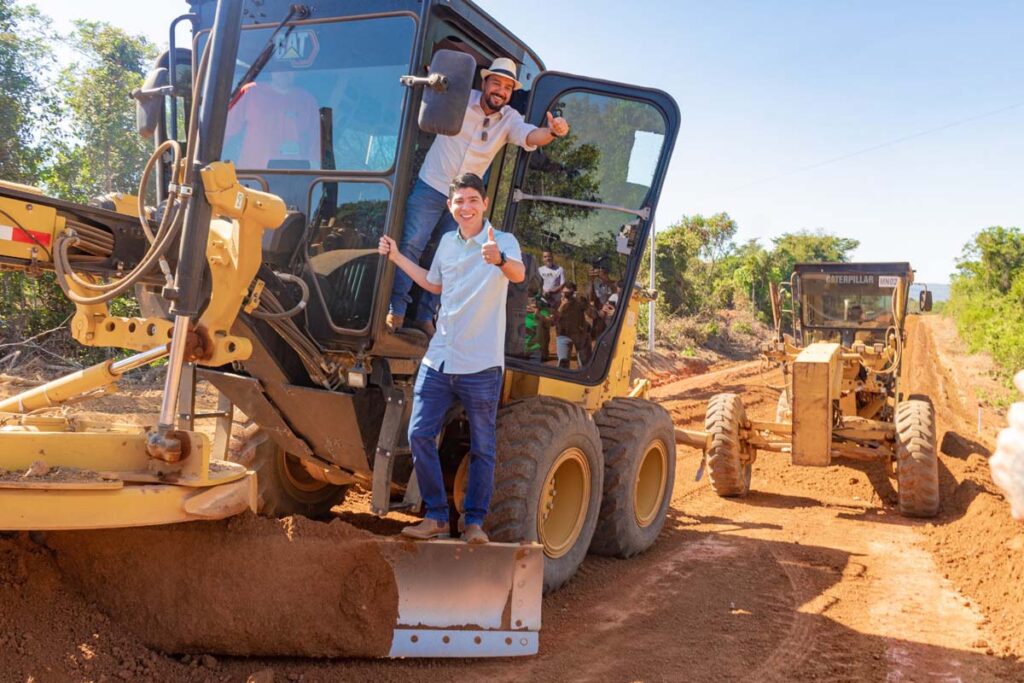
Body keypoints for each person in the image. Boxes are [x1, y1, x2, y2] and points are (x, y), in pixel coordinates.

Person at [377, 173, 525, 544]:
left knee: (482, 446)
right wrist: (396, 256)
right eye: (459, 201)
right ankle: (437, 516)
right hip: (440, 357)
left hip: (481, 364)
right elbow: (434, 284)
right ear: (450, 205)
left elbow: (519, 275)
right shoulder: (446, 242)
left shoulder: (502, 242)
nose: (466, 207)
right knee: (419, 433)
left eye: (473, 200)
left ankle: (474, 522)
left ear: (485, 204)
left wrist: (500, 259)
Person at [387, 57, 570, 335]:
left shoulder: (510, 119)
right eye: (496, 83)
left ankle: (426, 316)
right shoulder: (458, 99)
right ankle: (396, 309)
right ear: (484, 82)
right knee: (412, 243)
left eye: (507, 87)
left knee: (451, 254)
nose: (501, 91)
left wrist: (553, 133)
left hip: (464, 201)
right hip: (431, 185)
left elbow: (531, 137)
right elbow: (433, 88)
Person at [224, 70, 321, 169]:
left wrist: (316, 171)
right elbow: (226, 130)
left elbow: (315, 139)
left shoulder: (307, 100)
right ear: (271, 70)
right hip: (253, 174)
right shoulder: (250, 92)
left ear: (296, 72)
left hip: (295, 174)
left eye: (288, 69)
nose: (283, 72)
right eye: (278, 68)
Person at [556, 282, 591, 368]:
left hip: (579, 335)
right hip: (563, 335)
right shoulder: (557, 302)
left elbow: (591, 314)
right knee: (562, 363)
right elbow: (553, 320)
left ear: (574, 292)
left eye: (570, 293)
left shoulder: (579, 302)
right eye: (565, 293)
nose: (567, 295)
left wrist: (585, 303)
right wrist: (562, 306)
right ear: (561, 292)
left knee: (584, 364)